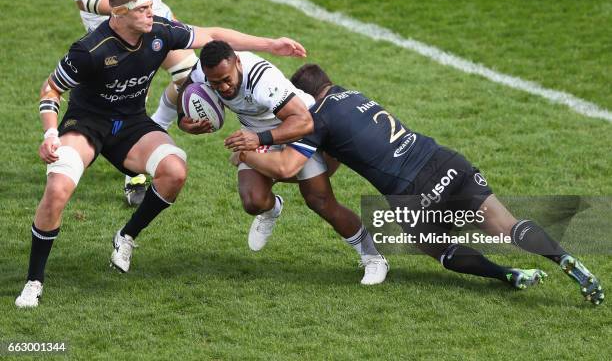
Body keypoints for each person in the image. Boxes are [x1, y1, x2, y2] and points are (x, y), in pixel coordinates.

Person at [15, 0, 307, 308]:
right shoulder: (89, 51)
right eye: (143, 9)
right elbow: (51, 89)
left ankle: (126, 237)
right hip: (87, 124)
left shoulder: (160, 33)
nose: (151, 13)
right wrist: (50, 133)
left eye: (151, 5)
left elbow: (211, 35)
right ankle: (34, 281)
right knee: (57, 190)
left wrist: (271, 44)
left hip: (132, 124)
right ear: (119, 13)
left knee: (174, 171)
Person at [232, 63, 605, 305]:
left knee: (437, 248)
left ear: (306, 98)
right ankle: (562, 257)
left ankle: (507, 274)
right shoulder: (357, 96)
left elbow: (289, 169)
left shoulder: (317, 120)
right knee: (507, 225)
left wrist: (251, 149)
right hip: (446, 161)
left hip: (412, 193)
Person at [178, 41, 388, 285]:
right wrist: (185, 122)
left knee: (319, 200)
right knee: (253, 201)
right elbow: (183, 93)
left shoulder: (262, 80)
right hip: (256, 133)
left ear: (237, 62)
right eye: (215, 83)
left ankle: (373, 258)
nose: (223, 88)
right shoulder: (201, 73)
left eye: (226, 79)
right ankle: (271, 209)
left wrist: (257, 139)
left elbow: (303, 121)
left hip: (295, 128)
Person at [70, 0, 202, 205]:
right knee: (133, 90)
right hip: (110, 18)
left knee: (190, 77)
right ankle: (135, 174)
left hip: (148, 7)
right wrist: (126, 8)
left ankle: (157, 127)